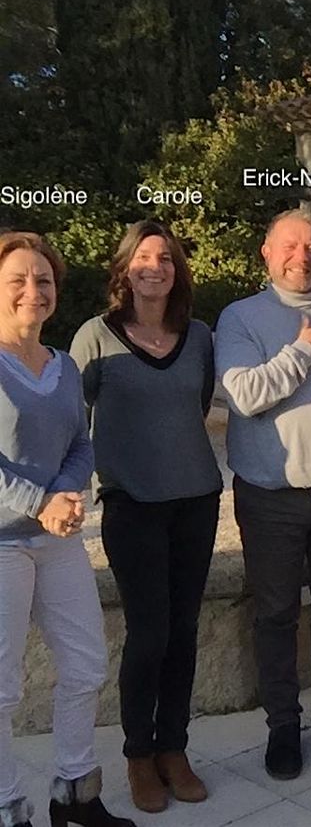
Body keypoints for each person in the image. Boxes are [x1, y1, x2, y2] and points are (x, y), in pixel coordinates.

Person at [215, 210, 311, 781]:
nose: (301, 256)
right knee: (276, 615)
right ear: (266, 252)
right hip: (270, 497)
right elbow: (244, 395)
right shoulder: (241, 318)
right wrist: (304, 350)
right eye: (289, 245)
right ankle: (283, 725)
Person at [70, 222, 222, 813]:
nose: (154, 266)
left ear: (177, 270)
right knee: (149, 634)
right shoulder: (95, 337)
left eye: (165, 258)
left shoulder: (199, 336)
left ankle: (173, 748)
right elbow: (71, 419)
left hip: (196, 502)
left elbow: (197, 405)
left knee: (184, 630)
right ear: (125, 269)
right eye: (142, 257)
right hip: (131, 507)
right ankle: (138, 754)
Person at [0, 232, 134, 827]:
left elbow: (82, 442)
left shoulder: (63, 366)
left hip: (56, 543)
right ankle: (8, 809)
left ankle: (75, 795)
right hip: (3, 545)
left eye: (44, 279)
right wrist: (40, 503)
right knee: (2, 690)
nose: (33, 290)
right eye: (17, 280)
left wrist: (65, 496)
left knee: (86, 666)